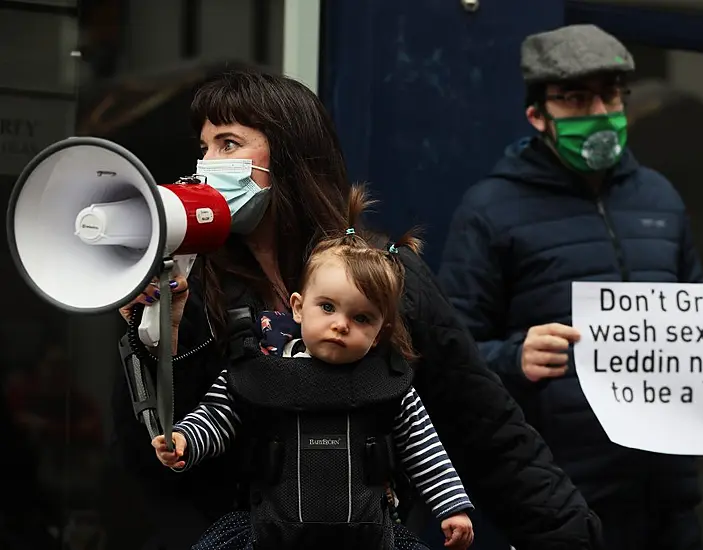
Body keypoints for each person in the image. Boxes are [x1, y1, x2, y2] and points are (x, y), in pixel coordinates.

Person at [111, 67, 603, 550]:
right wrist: (158, 344)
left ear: (290, 155)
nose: (207, 165)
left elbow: (487, 430)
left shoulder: (384, 276)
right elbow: (156, 460)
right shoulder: (193, 283)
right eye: (204, 148)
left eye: (229, 144)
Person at [436, 24, 703, 550]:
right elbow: (450, 355)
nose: (599, 112)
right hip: (558, 492)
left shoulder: (660, 197)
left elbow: (695, 320)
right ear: (538, 115)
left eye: (610, 94)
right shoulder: (490, 208)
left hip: (667, 492)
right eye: (577, 98)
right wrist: (515, 357)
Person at [151, 191, 475, 549]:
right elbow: (216, 417)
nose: (341, 325)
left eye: (361, 317)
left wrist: (452, 507)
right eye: (327, 307)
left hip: (369, 537)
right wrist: (183, 440)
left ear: (381, 329)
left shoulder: (388, 383)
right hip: (266, 533)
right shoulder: (261, 368)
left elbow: (425, 450)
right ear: (298, 307)